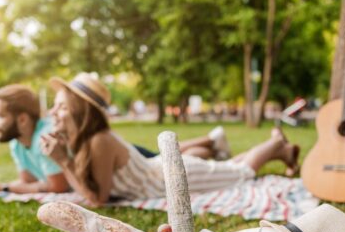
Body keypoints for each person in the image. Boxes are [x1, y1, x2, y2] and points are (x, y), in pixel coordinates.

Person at [40, 73, 300, 207]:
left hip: (174, 179)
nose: (52, 112)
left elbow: (97, 200)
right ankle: (283, 153)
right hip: (164, 172)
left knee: (241, 173)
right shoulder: (87, 141)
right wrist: (65, 155)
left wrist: (63, 161)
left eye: (60, 107)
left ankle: (276, 143)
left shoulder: (99, 141)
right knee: (228, 167)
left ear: (80, 112)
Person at [0, 85, 70, 200]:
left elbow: (58, 186)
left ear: (23, 120)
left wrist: (3, 187)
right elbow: (28, 181)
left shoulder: (46, 137)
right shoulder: (17, 142)